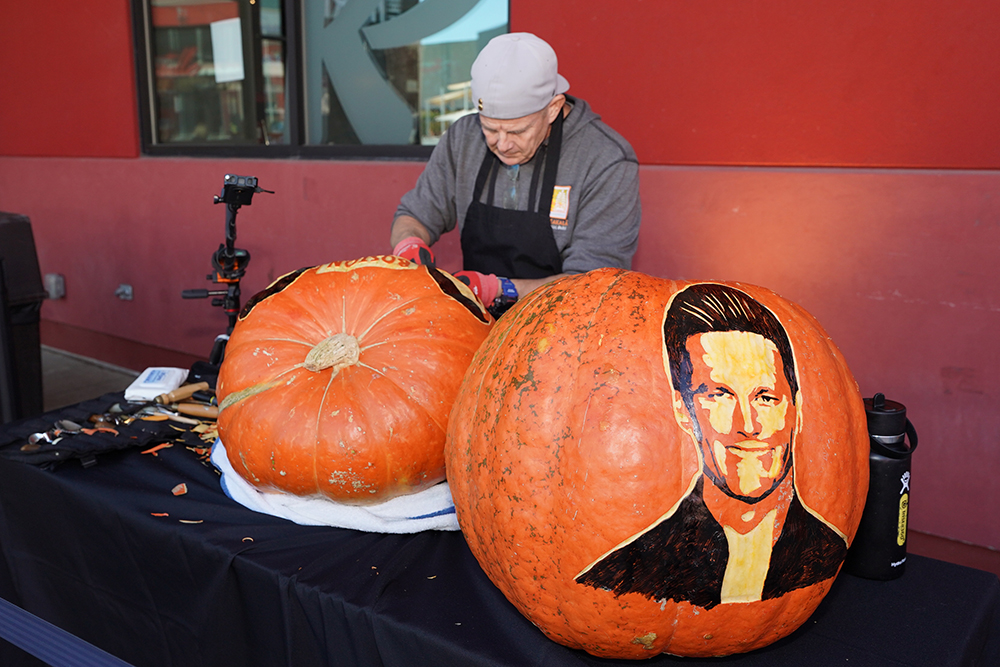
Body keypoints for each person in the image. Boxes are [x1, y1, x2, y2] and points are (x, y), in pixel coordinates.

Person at [575, 283, 847, 610]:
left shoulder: (827, 555)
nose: (748, 424)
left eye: (766, 398)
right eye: (719, 395)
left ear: (796, 410)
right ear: (682, 410)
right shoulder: (627, 576)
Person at [390, 32, 641, 316]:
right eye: (490, 129)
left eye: (517, 131)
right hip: (476, 322)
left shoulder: (606, 160)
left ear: (553, 109)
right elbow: (415, 214)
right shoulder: (463, 138)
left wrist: (500, 290)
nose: (503, 144)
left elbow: (591, 286)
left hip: (565, 329)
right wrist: (409, 244)